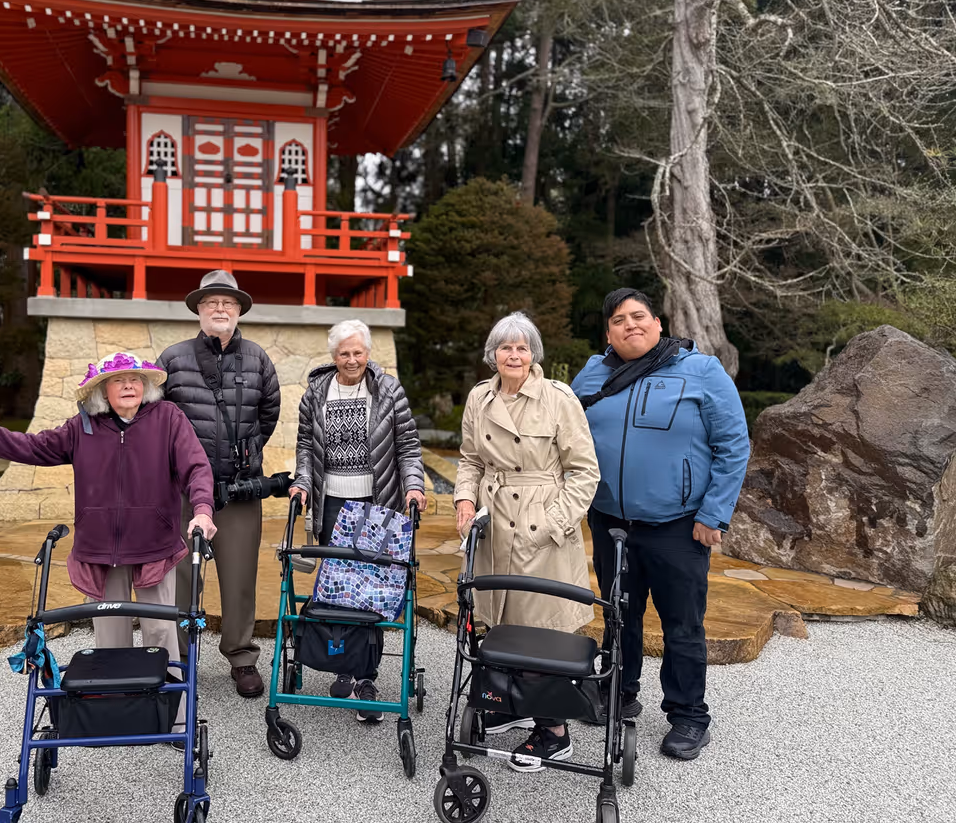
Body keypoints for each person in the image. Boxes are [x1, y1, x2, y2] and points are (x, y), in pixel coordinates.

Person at [571, 288, 750, 761]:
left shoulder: (701, 371)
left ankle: (689, 716)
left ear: (657, 321)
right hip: (610, 521)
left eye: (639, 315)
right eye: (619, 320)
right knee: (618, 614)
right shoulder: (592, 373)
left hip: (678, 525)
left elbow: (734, 445)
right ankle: (619, 694)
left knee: (682, 625)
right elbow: (564, 438)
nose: (630, 325)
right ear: (607, 331)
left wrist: (714, 514)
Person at [0, 352, 216, 660]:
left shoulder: (168, 417)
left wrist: (202, 510)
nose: (129, 386)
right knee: (110, 639)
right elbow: (31, 447)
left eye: (135, 380)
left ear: (146, 387)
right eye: (119, 381)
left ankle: (167, 705)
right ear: (103, 390)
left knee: (160, 635)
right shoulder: (81, 427)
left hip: (154, 545)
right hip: (100, 550)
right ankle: (116, 703)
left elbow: (196, 466)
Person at [453, 311, 601, 772]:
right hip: (495, 523)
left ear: (533, 354)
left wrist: (551, 522)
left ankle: (554, 731)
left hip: (543, 528)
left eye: (521, 348)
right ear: (492, 354)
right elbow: (469, 459)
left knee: (543, 632)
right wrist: (462, 500)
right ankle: (511, 703)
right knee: (499, 620)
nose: (513, 355)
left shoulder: (558, 398)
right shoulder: (480, 397)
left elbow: (584, 472)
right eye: (504, 347)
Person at [288, 318, 427, 721]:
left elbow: (408, 446)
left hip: (377, 502)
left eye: (358, 352)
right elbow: (303, 446)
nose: (352, 359)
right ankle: (345, 666)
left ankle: (366, 675)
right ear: (334, 357)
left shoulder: (388, 390)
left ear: (368, 353)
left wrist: (414, 486)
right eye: (344, 353)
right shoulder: (317, 392)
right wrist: (302, 483)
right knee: (337, 587)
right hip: (332, 503)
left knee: (371, 588)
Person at [157, 270, 281, 698]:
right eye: (211, 303)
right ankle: (180, 657)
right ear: (198, 309)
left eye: (228, 303)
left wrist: (246, 453)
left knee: (240, 576)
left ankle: (242, 655)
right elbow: (154, 420)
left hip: (240, 487)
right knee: (181, 578)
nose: (220, 309)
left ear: (240, 309)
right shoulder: (172, 358)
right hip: (182, 491)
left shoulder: (259, 358)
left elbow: (269, 413)